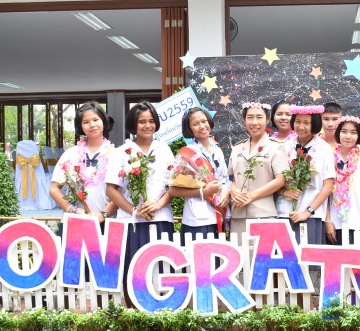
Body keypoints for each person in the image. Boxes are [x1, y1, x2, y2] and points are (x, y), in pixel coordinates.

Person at [105, 101, 175, 286]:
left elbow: (173, 185)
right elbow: (111, 189)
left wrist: (158, 205)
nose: (147, 126)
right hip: (132, 222)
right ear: (133, 124)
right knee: (134, 274)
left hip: (161, 218)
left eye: (151, 121)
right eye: (142, 122)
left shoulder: (164, 149)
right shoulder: (121, 152)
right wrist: (135, 211)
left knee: (161, 271)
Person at [169, 107, 230, 242]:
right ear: (189, 128)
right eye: (195, 124)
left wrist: (226, 192)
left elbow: (224, 179)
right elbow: (173, 190)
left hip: (218, 213)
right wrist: (203, 191)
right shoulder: (185, 154)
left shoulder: (217, 150)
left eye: (204, 121)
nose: (202, 126)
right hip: (196, 219)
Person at [277, 104, 335, 245]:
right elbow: (275, 179)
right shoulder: (284, 146)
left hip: (311, 215)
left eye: (306, 123)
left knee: (309, 257)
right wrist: (284, 192)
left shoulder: (324, 149)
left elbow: (328, 186)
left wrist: (307, 212)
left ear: (314, 124)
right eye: (297, 122)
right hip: (284, 213)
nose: (301, 127)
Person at [228, 102, 289, 235]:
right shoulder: (237, 148)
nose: (254, 122)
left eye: (259, 117)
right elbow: (233, 178)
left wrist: (251, 196)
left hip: (263, 213)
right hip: (238, 212)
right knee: (239, 248)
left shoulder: (276, 147)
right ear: (244, 120)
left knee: (263, 249)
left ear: (267, 120)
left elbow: (280, 180)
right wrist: (233, 190)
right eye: (250, 117)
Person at [50, 101, 116, 224]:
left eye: (95, 119)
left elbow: (121, 193)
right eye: (86, 122)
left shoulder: (116, 155)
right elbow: (54, 189)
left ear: (103, 121)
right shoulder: (70, 154)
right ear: (80, 126)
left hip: (108, 222)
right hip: (76, 221)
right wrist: (74, 210)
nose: (92, 125)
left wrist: (103, 215)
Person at [325, 116, 360, 245]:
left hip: (358, 222)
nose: (348, 136)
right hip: (335, 223)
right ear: (338, 133)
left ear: (359, 136)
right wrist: (328, 220)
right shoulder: (329, 159)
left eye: (353, 132)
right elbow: (325, 192)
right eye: (344, 131)